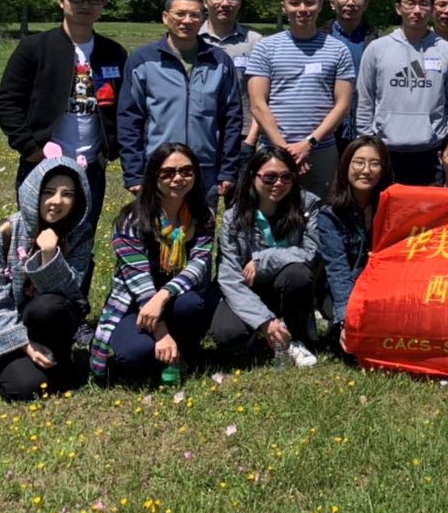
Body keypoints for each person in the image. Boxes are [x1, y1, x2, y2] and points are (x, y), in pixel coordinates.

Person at [0, 0, 126, 310]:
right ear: (61, 1)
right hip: (42, 165)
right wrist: (31, 150)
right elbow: (8, 101)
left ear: (103, 5)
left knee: (81, 242)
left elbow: (124, 107)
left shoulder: (113, 52)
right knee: (32, 239)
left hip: (90, 167)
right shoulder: (35, 47)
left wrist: (110, 151)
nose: (86, 4)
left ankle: (72, 312)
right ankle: (23, 310)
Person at [90, 143, 219, 385]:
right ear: (153, 176)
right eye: (168, 173)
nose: (178, 179)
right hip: (134, 302)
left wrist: (162, 297)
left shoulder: (203, 217)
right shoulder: (131, 220)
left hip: (174, 299)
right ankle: (155, 352)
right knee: (135, 354)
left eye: (186, 171)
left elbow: (198, 266)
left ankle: (183, 355)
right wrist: (161, 333)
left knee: (192, 304)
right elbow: (137, 280)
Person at [0, 156, 95, 400]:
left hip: (51, 320)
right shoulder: (2, 236)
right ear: (34, 193)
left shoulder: (80, 235)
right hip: (11, 325)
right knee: (24, 387)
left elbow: (72, 295)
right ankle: (1, 356)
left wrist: (49, 255)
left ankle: (61, 356)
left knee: (48, 306)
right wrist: (25, 345)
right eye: (48, 192)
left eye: (67, 194)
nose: (57, 201)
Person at [117, 0, 244, 201]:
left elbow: (232, 118)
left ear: (202, 19)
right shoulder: (143, 60)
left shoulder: (219, 61)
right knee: (156, 223)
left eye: (194, 15)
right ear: (165, 17)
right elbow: (129, 118)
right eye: (180, 14)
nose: (187, 20)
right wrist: (134, 172)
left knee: (202, 223)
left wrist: (228, 169)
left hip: (204, 169)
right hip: (159, 168)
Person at [210, 148, 322, 368]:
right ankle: (269, 331)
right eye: (269, 177)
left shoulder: (307, 205)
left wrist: (264, 259)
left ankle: (297, 336)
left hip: (286, 287)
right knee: (228, 335)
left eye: (286, 177)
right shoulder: (234, 216)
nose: (278, 183)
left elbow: (312, 253)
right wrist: (264, 321)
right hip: (247, 288)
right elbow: (229, 277)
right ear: (253, 177)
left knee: (298, 273)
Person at [246, 0, 356, 199]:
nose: (302, 9)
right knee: (271, 209)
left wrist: (309, 143)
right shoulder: (265, 47)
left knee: (321, 211)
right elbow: (258, 104)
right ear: (284, 6)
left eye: (309, 2)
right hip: (273, 150)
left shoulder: (338, 49)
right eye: (295, 3)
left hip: (321, 151)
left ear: (320, 5)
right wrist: (286, 150)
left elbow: (343, 105)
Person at [355, 0, 448, 186]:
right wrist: (368, 141)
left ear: (431, 9)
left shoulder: (447, 52)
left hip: (431, 153)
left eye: (423, 4)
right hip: (384, 151)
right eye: (410, 3)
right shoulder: (377, 49)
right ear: (399, 8)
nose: (417, 10)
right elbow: (364, 99)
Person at [316, 136, 393, 349]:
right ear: (346, 166)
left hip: (383, 286)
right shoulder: (329, 214)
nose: (366, 170)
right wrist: (347, 318)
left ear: (384, 169)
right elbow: (337, 268)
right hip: (347, 286)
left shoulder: (394, 208)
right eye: (359, 162)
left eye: (375, 163)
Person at [199, 0, 264, 162]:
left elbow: (264, 96)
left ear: (240, 2)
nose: (225, 3)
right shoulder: (193, 39)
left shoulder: (256, 42)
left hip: (243, 134)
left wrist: (251, 139)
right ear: (205, 2)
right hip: (200, 132)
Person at [322, 0, 377, 152]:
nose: (350, 2)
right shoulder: (319, 39)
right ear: (332, 3)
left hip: (366, 127)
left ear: (366, 4)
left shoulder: (378, 41)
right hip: (326, 128)